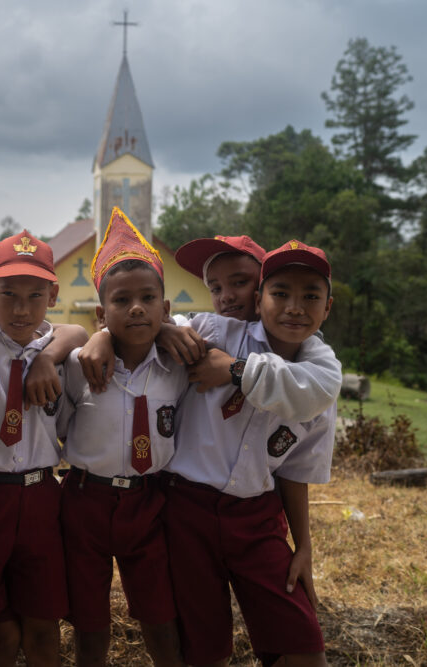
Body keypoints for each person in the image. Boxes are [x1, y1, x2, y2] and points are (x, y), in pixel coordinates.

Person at [162, 240, 339, 667]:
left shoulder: (320, 373)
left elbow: (295, 469)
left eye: (310, 297)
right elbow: (155, 321)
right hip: (188, 509)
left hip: (257, 518)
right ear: (263, 299)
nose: (295, 307)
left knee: (302, 646)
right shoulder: (217, 332)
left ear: (327, 307)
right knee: (204, 646)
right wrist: (164, 327)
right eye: (281, 294)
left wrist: (303, 546)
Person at [0, 229, 85, 667]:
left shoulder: (57, 348)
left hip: (42, 496)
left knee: (44, 627)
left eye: (35, 295)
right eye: (8, 294)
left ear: (53, 294)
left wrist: (47, 355)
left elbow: (80, 330)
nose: (21, 309)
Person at [57, 209, 187, 667]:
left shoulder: (180, 366)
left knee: (159, 615)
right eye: (122, 300)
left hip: (149, 503)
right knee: (90, 622)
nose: (136, 308)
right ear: (101, 312)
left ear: (165, 309)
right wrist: (96, 340)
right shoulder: (80, 367)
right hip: (84, 501)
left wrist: (171, 332)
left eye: (149, 297)